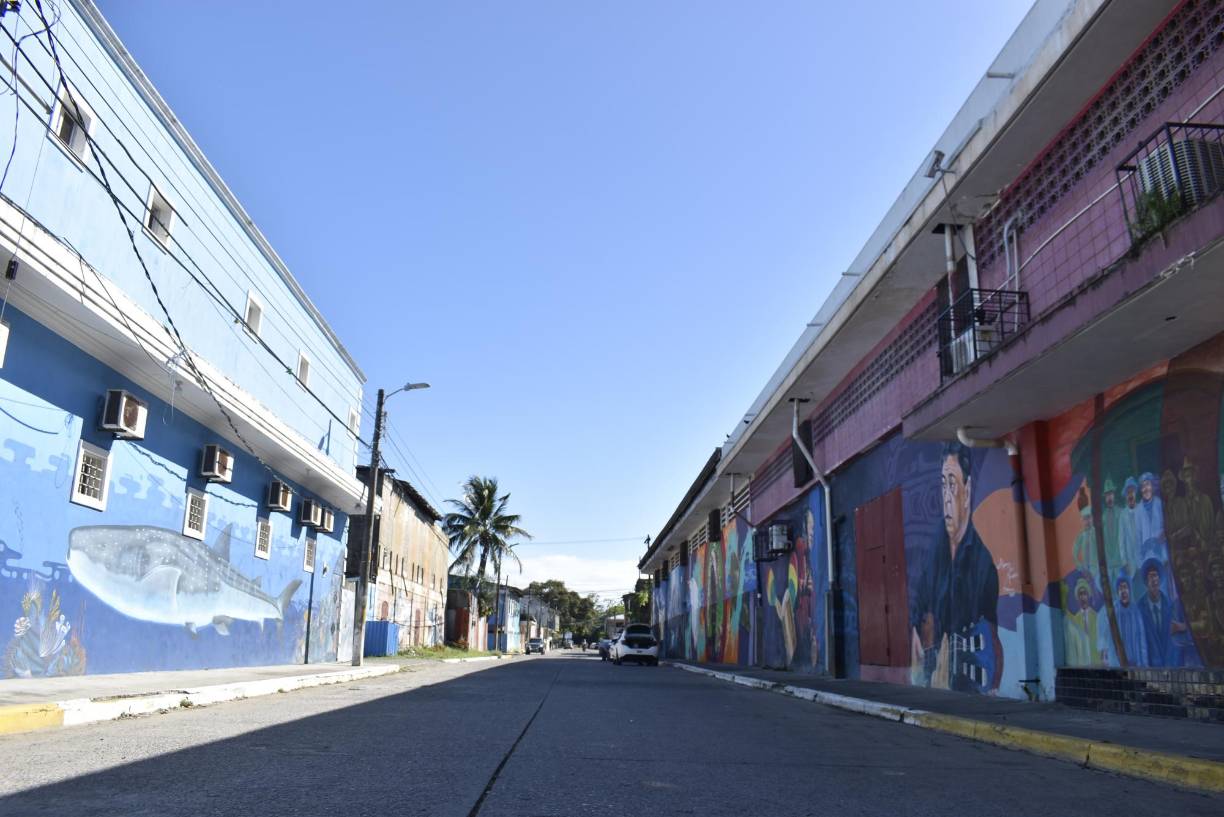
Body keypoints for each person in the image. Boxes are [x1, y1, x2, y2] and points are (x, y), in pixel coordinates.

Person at [910, 442, 1000, 692]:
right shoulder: (935, 546)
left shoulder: (983, 567)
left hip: (965, 688)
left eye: (953, 484)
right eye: (942, 485)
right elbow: (920, 596)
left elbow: (992, 645)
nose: (947, 497)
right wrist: (916, 631)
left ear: (968, 490)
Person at [1136, 558, 1186, 666]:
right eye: (1150, 576)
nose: (1154, 580)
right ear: (1146, 581)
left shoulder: (1170, 604)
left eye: (1155, 575)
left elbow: (1182, 638)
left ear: (1159, 579)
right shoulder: (1139, 608)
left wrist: (1180, 627)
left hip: (1172, 665)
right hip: (1152, 668)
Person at [1112, 573, 1148, 667]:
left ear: (1129, 590)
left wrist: (1144, 665)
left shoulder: (1136, 611)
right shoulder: (1115, 612)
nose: (1123, 591)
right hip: (1121, 665)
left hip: (1136, 664)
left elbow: (1141, 640)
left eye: (1125, 587)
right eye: (1120, 588)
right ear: (1117, 592)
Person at [1136, 472, 1166, 563]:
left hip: (1162, 553)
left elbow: (1166, 527)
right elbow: (1138, 535)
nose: (1146, 489)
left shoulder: (1160, 504)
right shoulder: (1138, 510)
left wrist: (1161, 537)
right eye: (1143, 486)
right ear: (1141, 490)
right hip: (1146, 556)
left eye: (1148, 485)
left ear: (1152, 487)